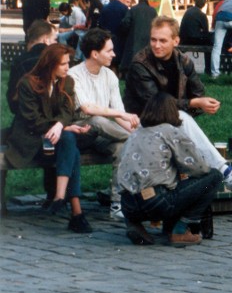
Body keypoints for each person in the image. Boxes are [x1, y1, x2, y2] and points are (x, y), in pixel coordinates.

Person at [123, 16, 232, 191]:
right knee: (182, 117)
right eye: (153, 39)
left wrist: (203, 103)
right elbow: (156, 104)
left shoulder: (183, 61)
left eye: (162, 40)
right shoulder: (140, 64)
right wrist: (194, 103)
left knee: (182, 119)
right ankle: (225, 172)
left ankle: (205, 183)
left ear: (176, 41)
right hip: (142, 120)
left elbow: (198, 92)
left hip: (172, 121)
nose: (156, 45)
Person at [8, 44, 94, 233]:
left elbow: (68, 111)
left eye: (68, 63)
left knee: (69, 140)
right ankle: (75, 213)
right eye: (63, 64)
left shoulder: (67, 82)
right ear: (49, 65)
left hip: (56, 140)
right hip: (33, 141)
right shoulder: (27, 84)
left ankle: (61, 197)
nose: (67, 67)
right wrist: (62, 125)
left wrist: (60, 125)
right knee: (71, 146)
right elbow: (33, 120)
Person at [118, 92, 224, 246]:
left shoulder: (135, 134)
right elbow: (199, 168)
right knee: (214, 177)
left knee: (169, 182)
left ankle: (134, 223)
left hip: (127, 205)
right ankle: (180, 230)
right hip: (156, 202)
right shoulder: (170, 131)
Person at [68, 28, 139, 220]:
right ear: (94, 54)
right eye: (109, 51)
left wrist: (136, 128)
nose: (114, 54)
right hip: (78, 133)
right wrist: (123, 117)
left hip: (101, 134)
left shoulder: (110, 76)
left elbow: (119, 115)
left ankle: (117, 204)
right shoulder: (74, 75)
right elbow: (88, 109)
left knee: (122, 147)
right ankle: (141, 140)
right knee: (97, 120)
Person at [7, 20, 57, 114]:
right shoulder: (55, 60)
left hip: (24, 118)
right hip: (54, 120)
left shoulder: (18, 61)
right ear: (46, 40)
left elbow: (12, 102)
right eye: (55, 39)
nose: (56, 43)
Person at [119, 0, 158, 72]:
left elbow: (126, 23)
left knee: (134, 56)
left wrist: (126, 32)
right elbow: (156, 23)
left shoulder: (133, 9)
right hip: (148, 37)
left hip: (134, 36)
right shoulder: (152, 10)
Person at [100, 0, 130, 67]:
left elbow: (101, 22)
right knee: (118, 53)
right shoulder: (124, 8)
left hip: (107, 34)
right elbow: (126, 23)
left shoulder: (105, 7)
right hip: (120, 35)